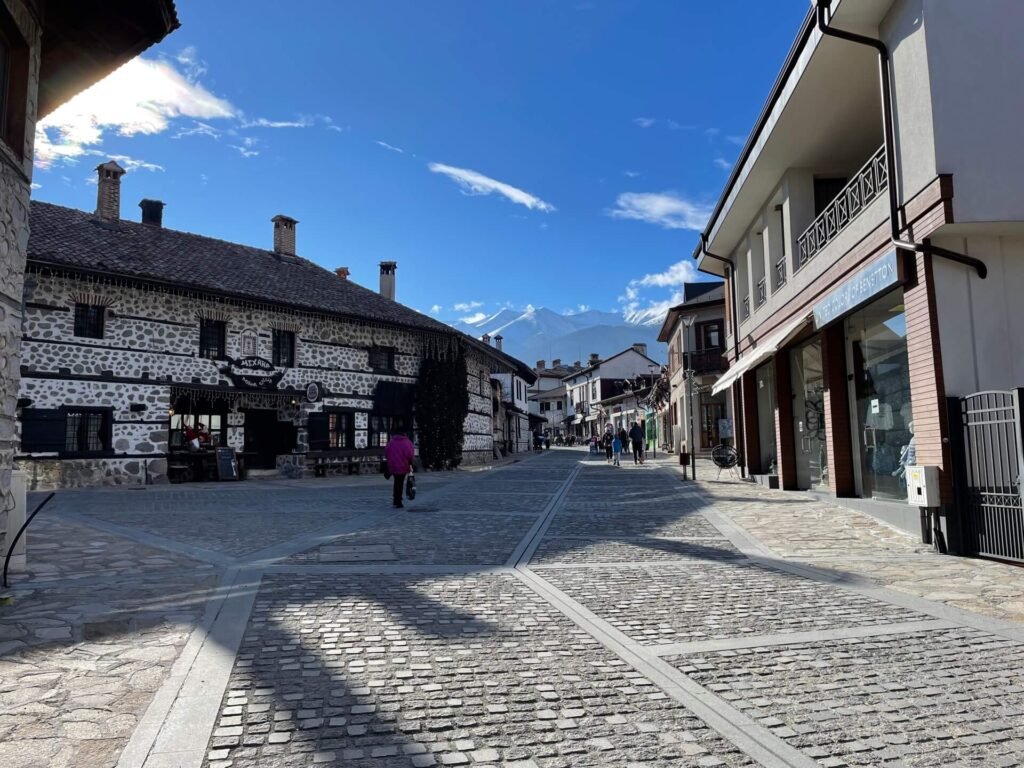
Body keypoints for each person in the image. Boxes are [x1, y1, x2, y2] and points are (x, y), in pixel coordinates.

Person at [384, 427, 416, 508]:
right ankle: (398, 501)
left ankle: (396, 499)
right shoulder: (407, 442)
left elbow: (386, 453)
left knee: (396, 482)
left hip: (393, 466)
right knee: (400, 483)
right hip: (403, 466)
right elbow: (410, 455)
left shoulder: (392, 442)